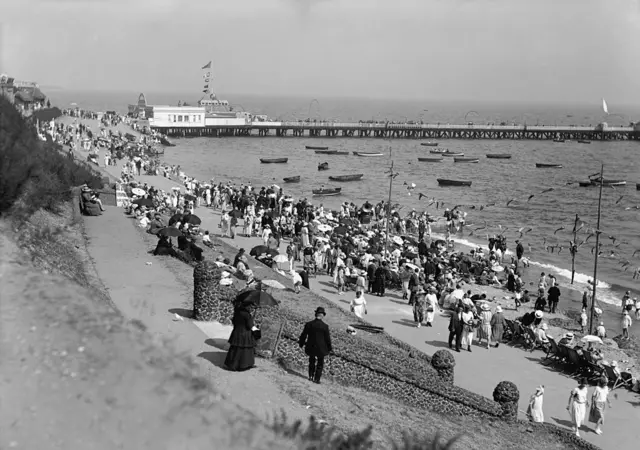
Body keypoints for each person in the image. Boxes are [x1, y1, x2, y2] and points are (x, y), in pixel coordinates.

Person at [298, 307, 333, 384]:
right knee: (320, 364)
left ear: (315, 314)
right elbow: (327, 339)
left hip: (311, 346)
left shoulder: (309, 324)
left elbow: (304, 335)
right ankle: (317, 379)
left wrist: (301, 343)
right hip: (321, 348)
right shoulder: (325, 326)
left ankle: (310, 376)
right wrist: (330, 348)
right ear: (322, 315)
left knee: (311, 361)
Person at [224, 302, 259, 371]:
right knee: (245, 351)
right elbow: (250, 326)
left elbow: (233, 321)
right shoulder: (247, 315)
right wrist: (256, 329)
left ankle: (232, 365)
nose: (251, 308)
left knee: (235, 350)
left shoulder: (237, 312)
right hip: (245, 334)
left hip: (236, 332)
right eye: (250, 306)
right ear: (247, 307)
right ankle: (243, 365)